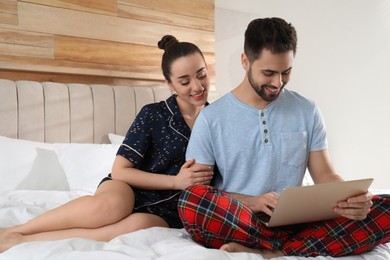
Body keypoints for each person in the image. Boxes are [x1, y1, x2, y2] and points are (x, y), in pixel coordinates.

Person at [178, 17, 390, 258]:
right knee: (191, 203)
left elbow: (325, 175)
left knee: (385, 207)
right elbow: (199, 190)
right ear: (245, 61)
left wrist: (351, 199)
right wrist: (253, 202)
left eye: (286, 72)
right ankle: (297, 247)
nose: (277, 83)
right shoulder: (211, 118)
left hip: (300, 221)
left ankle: (274, 252)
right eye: (268, 73)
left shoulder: (307, 110)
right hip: (243, 220)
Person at [0, 35, 214, 253]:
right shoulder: (153, 114)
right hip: (128, 188)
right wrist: (176, 182)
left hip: (171, 208)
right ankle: (15, 230)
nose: (197, 87)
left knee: (136, 227)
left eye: (202, 75)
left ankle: (19, 241)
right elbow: (120, 171)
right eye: (185, 81)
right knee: (109, 208)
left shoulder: (219, 119)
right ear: (169, 84)